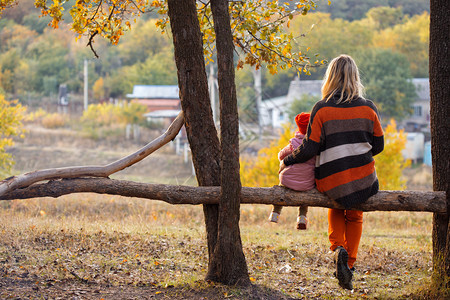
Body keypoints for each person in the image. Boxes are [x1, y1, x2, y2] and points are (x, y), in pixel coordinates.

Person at [279, 55, 384, 290]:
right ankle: (351, 265)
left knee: (335, 205)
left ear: (330, 78)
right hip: (363, 180)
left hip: (331, 179)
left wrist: (288, 159)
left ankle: (338, 249)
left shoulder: (322, 109)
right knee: (355, 215)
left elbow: (310, 148)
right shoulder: (369, 108)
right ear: (355, 78)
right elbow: (379, 146)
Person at [268, 112, 316, 230]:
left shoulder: (293, 143)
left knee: (280, 190)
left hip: (288, 179)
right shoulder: (315, 144)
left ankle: (275, 213)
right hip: (307, 182)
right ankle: (302, 218)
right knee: (305, 200)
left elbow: (281, 156)